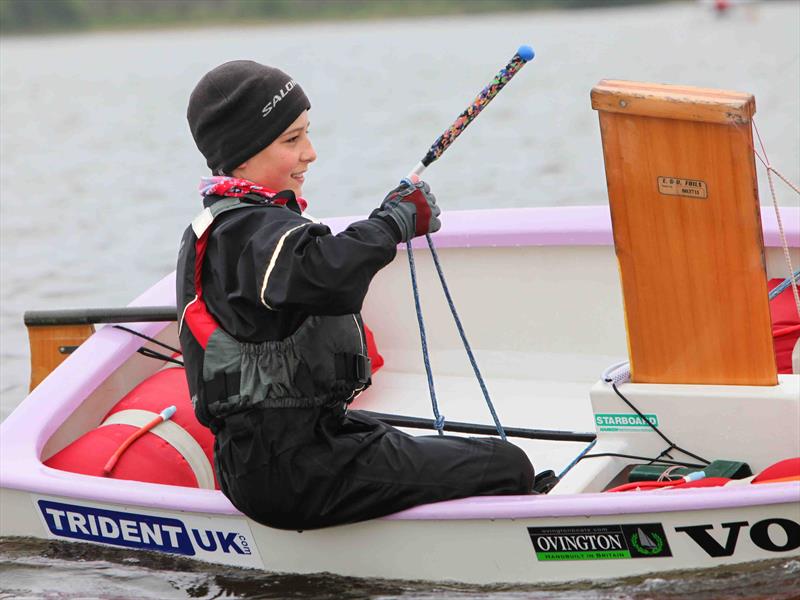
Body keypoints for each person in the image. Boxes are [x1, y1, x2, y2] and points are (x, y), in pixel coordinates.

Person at [177, 60, 536, 531]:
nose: (310, 153)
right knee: (508, 465)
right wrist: (393, 223)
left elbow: (317, 259)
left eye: (307, 134)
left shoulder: (228, 225)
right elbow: (323, 273)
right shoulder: (247, 230)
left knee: (441, 446)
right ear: (242, 156)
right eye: (292, 140)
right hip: (291, 475)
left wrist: (385, 221)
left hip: (283, 455)